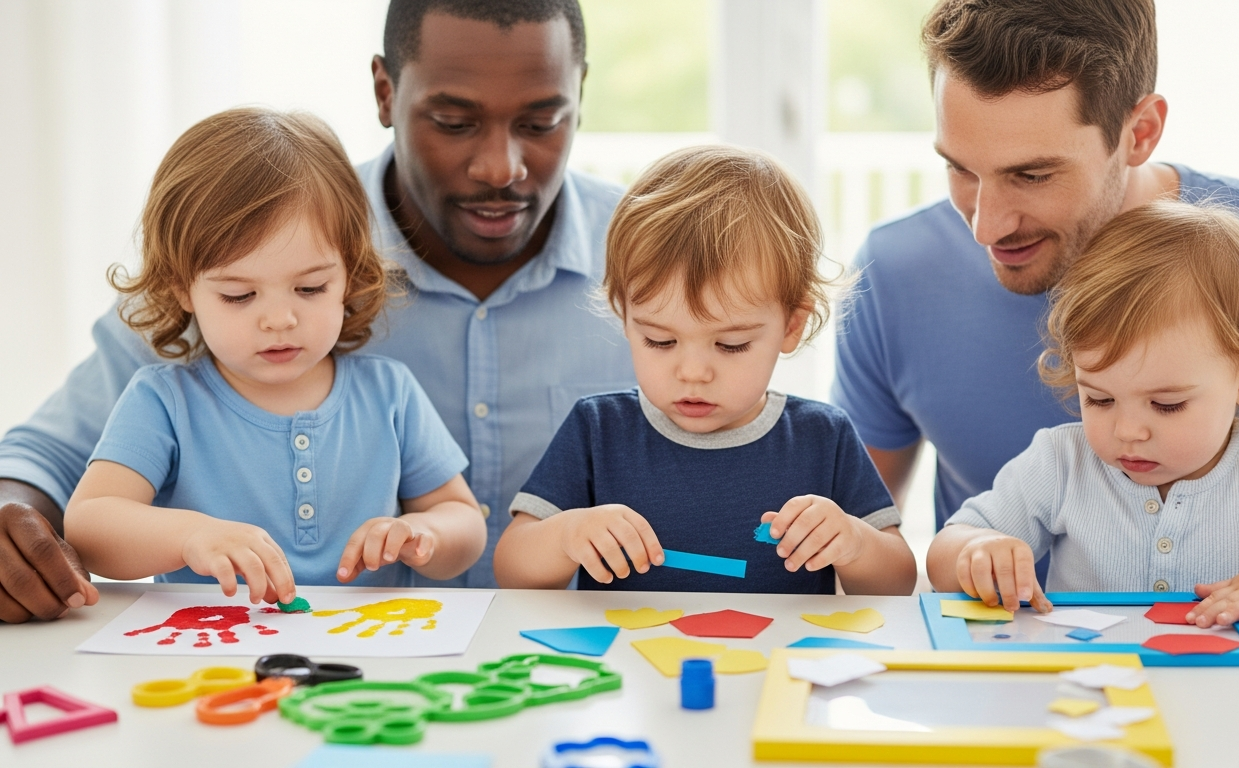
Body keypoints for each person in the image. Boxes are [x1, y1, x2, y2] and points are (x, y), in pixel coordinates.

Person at [0, 0, 634, 621]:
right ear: (386, 93)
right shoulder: (237, 227)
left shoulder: (652, 257)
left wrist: (425, 535)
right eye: (453, 121)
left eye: (541, 122)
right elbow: (51, 469)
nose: (501, 167)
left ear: (356, 280)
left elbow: (457, 518)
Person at [833, 0, 1239, 555]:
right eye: (958, 167)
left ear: (1139, 132)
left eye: (1032, 175)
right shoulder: (895, 277)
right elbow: (856, 546)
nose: (986, 227)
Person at [65, 108, 486, 600]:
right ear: (182, 289)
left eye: (309, 288)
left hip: (372, 648)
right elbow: (89, 527)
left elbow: (465, 524)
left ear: (348, 275)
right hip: (211, 653)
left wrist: (424, 535)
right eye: (240, 296)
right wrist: (190, 536)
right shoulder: (164, 401)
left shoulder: (389, 392)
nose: (279, 319)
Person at [928, 200, 1239, 628]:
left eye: (1166, 404)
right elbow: (945, 549)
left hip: (1238, 702)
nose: (1128, 431)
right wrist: (976, 550)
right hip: (1089, 697)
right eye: (1099, 399)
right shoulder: (1060, 462)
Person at [493, 146, 916, 595]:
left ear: (791, 325)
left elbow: (898, 582)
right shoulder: (599, 429)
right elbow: (512, 567)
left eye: (730, 345)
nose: (693, 372)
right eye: (660, 340)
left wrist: (854, 544)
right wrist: (565, 535)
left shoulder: (822, 437)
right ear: (624, 315)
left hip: (773, 665)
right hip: (627, 664)